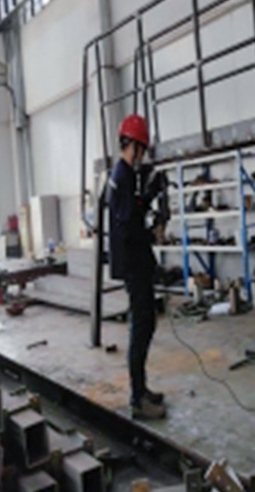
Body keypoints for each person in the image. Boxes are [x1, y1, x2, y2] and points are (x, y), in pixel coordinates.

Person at [108, 115, 167, 420]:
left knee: (147, 323)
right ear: (132, 145)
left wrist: (147, 196)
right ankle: (137, 399)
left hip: (134, 259)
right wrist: (151, 230)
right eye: (141, 149)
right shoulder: (123, 175)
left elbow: (130, 212)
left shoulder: (122, 174)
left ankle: (141, 390)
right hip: (133, 262)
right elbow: (128, 225)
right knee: (141, 325)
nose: (142, 155)